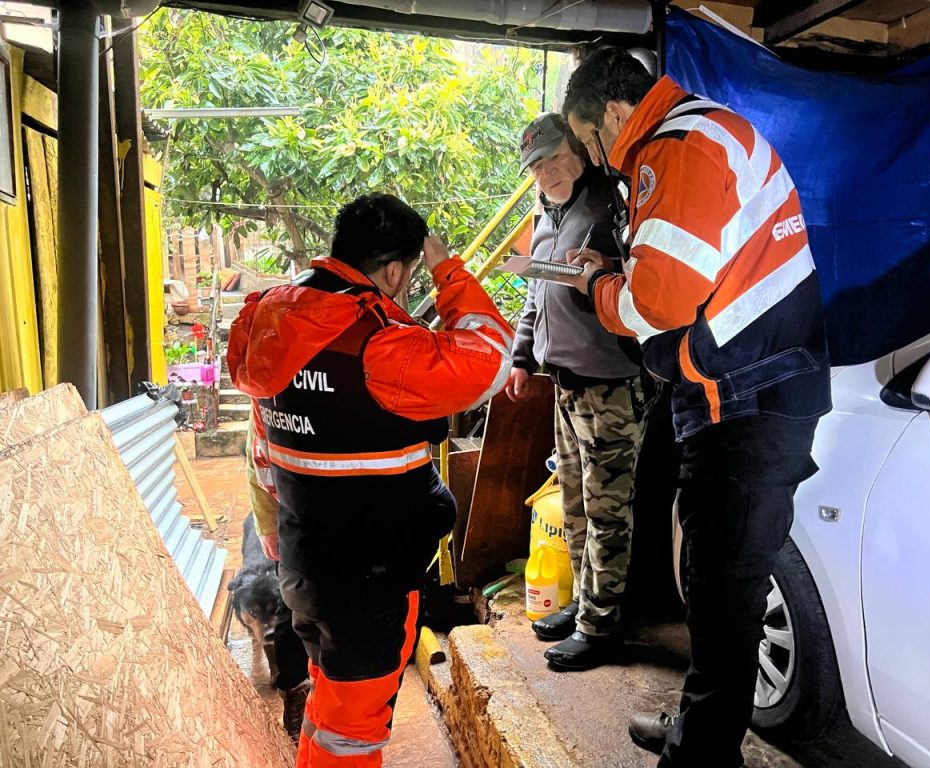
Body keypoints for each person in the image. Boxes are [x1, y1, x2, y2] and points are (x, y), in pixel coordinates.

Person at [561, 48, 832, 767]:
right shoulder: (702, 132)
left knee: (723, 588)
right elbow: (691, 272)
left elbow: (659, 302)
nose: (596, 158)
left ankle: (704, 754)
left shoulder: (676, 147)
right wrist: (618, 271)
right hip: (752, 387)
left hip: (746, 399)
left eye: (589, 140)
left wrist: (598, 289)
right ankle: (701, 729)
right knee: (720, 582)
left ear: (614, 112)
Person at [228, 193, 513, 768]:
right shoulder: (380, 344)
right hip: (370, 582)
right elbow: (493, 353)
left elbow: (262, 448)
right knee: (352, 733)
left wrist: (276, 535)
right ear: (395, 271)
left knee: (328, 709)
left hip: (305, 567)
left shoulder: (271, 323)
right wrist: (448, 270)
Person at [506, 112, 645, 671]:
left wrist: (606, 268)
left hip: (610, 384)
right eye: (537, 167)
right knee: (576, 504)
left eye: (555, 158)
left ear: (580, 149)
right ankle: (586, 603)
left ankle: (601, 625)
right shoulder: (547, 213)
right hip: (564, 385)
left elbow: (648, 279)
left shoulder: (613, 204)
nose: (547, 173)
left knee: (608, 511)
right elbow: (534, 294)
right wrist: (522, 356)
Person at [243, 413, 312, 743]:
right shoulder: (268, 394)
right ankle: (295, 691)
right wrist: (267, 524)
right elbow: (256, 454)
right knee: (290, 609)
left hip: (354, 520)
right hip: (294, 517)